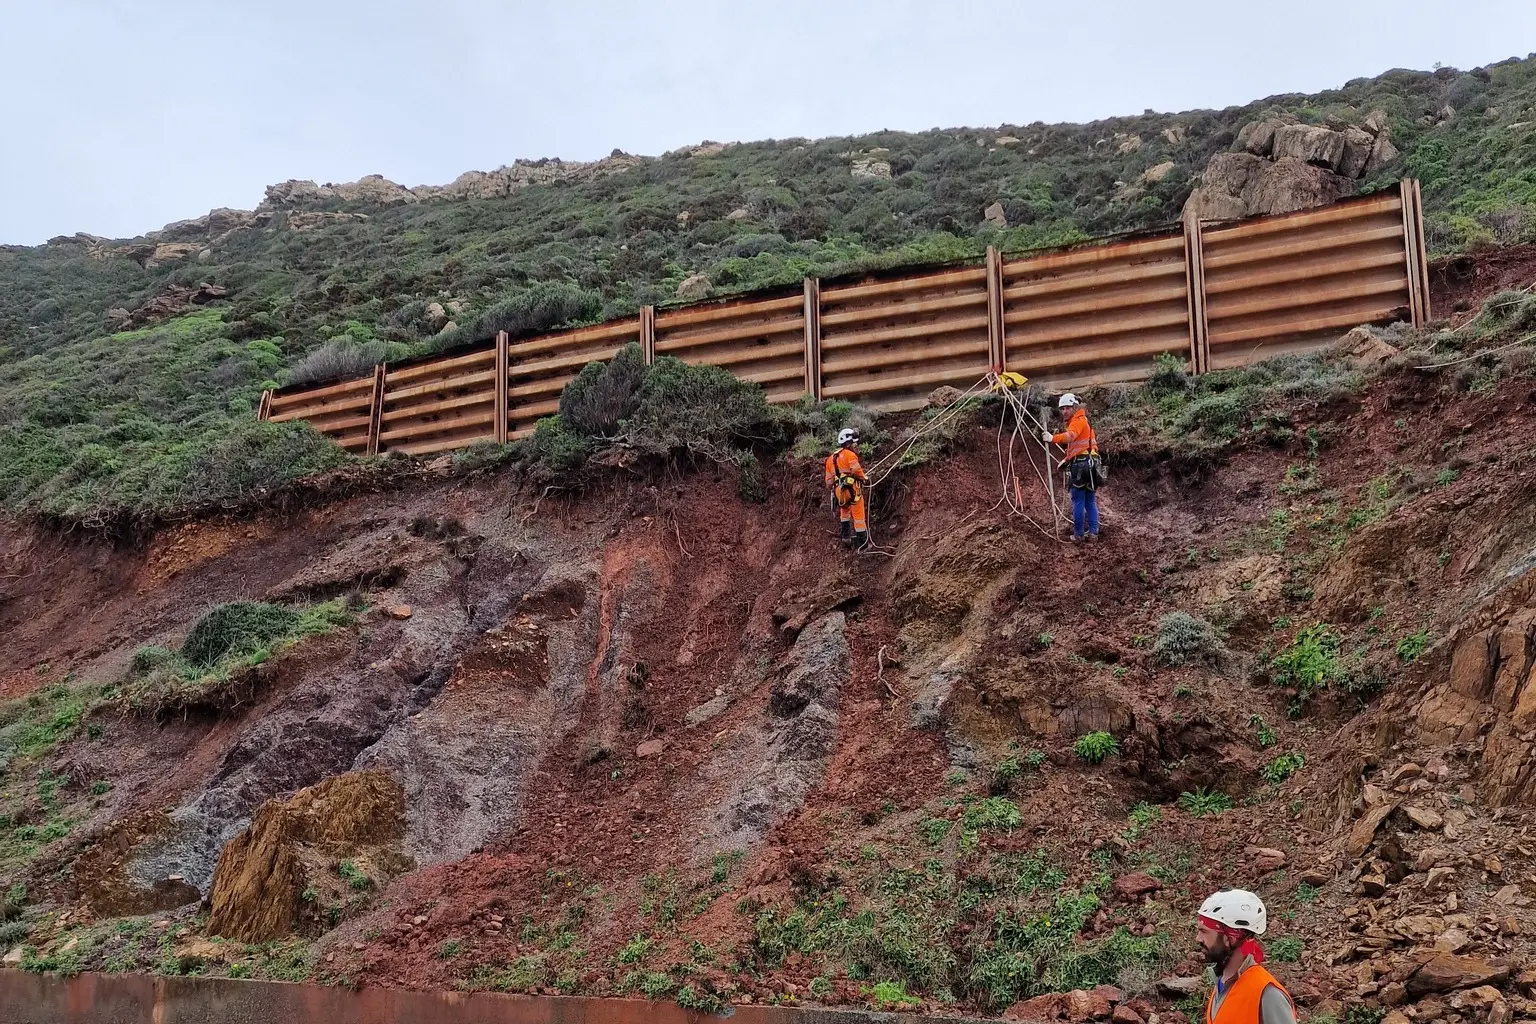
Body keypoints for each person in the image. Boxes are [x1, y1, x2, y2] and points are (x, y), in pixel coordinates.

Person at [1196, 889, 1296, 1024]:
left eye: (1204, 931)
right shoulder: (1222, 983)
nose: (1198, 938)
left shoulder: (1268, 994)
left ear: (1230, 937)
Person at [1040, 393, 1101, 542]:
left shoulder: (1077, 421)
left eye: (1067, 408)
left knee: (1078, 501)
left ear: (1074, 407)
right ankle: (1093, 533)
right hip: (1091, 464)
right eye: (1062, 408)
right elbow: (1080, 446)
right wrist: (1067, 459)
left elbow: (1070, 437)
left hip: (1081, 466)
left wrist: (1052, 438)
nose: (1064, 411)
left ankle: (1078, 534)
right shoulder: (1084, 422)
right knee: (1090, 501)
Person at [824, 427, 868, 549]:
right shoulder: (850, 455)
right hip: (853, 490)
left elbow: (828, 482)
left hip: (839, 492)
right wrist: (864, 478)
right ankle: (863, 545)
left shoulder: (830, 459)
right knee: (858, 516)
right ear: (848, 442)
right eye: (854, 442)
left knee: (844, 512)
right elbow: (856, 470)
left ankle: (846, 538)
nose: (855, 445)